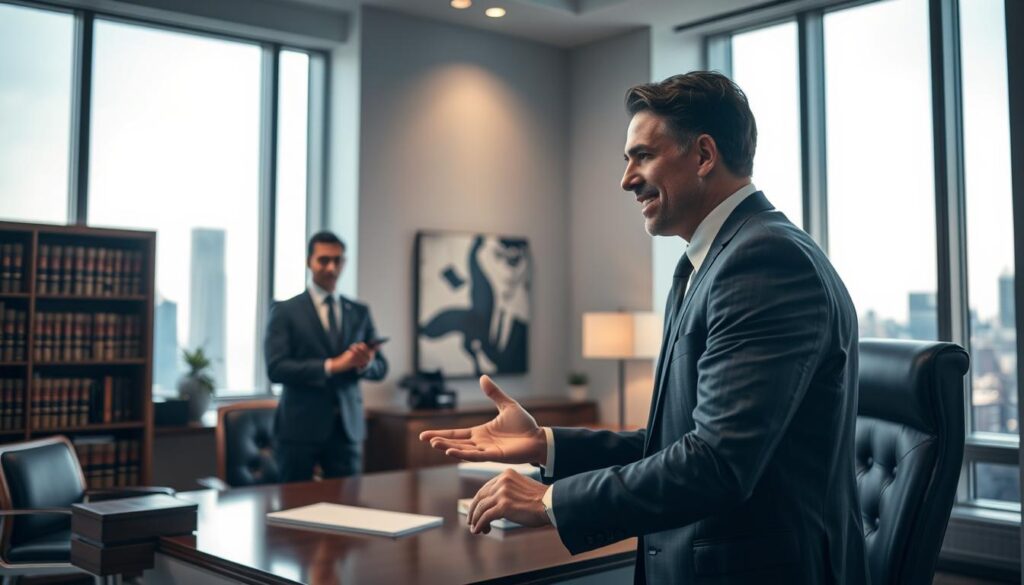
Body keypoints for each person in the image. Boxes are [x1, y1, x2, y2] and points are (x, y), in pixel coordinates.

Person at [420, 71, 868, 584]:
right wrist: (546, 444)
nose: (627, 178)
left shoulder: (765, 262)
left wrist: (549, 500)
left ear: (703, 155)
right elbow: (674, 443)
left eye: (643, 156)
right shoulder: (710, 262)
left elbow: (716, 464)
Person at [265, 231, 387, 481]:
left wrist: (366, 363)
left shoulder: (359, 311)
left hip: (347, 430)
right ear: (309, 261)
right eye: (324, 260)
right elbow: (276, 368)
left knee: (350, 508)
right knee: (293, 509)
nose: (331, 268)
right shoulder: (285, 311)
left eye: (338, 260)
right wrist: (332, 365)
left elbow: (382, 367)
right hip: (299, 430)